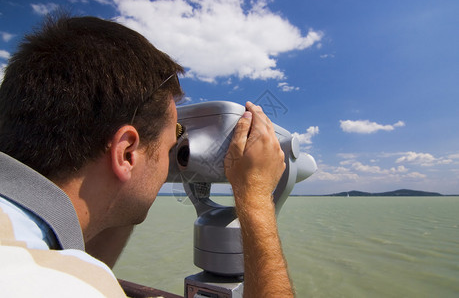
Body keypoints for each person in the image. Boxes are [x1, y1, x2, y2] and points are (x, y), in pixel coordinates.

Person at [0, 15, 294, 297]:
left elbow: (79, 262)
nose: (173, 161)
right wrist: (254, 196)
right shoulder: (62, 288)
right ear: (127, 152)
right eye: (171, 146)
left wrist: (137, 177)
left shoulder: (37, 254)